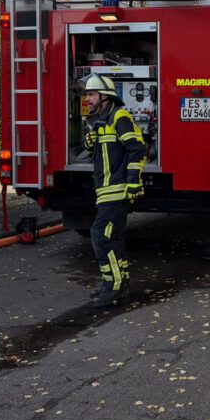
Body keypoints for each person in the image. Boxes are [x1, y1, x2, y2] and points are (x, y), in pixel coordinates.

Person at [83, 74, 147, 307]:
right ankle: (120, 285)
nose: (88, 99)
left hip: (117, 190)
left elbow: (137, 149)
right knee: (114, 237)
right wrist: (90, 140)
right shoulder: (97, 119)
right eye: (87, 94)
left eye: (92, 94)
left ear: (105, 96)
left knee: (101, 235)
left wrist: (133, 180)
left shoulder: (119, 117)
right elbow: (93, 151)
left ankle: (114, 287)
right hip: (106, 190)